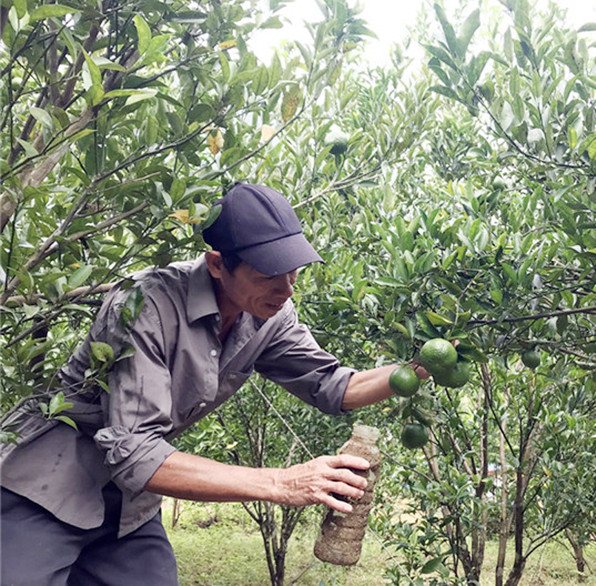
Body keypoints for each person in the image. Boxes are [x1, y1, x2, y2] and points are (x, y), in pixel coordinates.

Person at [0, 182, 429, 585]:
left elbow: (334, 386)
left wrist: (422, 366)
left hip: (130, 504)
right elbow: (134, 451)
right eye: (268, 275)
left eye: (293, 273)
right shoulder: (143, 303)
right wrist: (284, 483)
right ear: (218, 265)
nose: (285, 290)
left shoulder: (269, 313)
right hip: (47, 485)